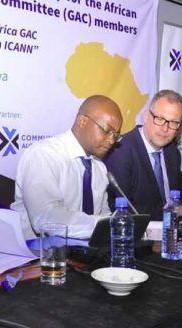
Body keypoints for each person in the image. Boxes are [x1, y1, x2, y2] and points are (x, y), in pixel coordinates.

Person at [11, 95, 123, 239]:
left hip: (83, 256)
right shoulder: (43, 155)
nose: (111, 141)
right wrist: (106, 225)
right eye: (107, 131)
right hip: (37, 256)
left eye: (116, 135)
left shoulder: (99, 167)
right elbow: (45, 219)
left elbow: (104, 216)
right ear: (82, 121)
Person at [104, 90, 182, 221]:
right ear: (146, 116)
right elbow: (123, 211)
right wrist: (180, 210)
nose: (165, 128)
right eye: (160, 119)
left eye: (173, 122)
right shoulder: (120, 152)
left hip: (170, 234)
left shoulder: (172, 153)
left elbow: (169, 199)